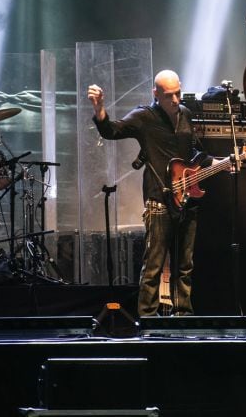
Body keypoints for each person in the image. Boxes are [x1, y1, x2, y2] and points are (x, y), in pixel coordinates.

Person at [88, 70, 220, 317]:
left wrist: (224, 162)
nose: (175, 100)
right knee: (154, 265)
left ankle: (183, 316)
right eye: (168, 95)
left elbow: (195, 154)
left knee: (185, 265)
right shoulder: (144, 117)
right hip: (159, 199)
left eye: (178, 93)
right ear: (155, 94)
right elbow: (112, 131)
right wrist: (100, 110)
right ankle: (147, 318)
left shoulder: (186, 115)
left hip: (187, 199)